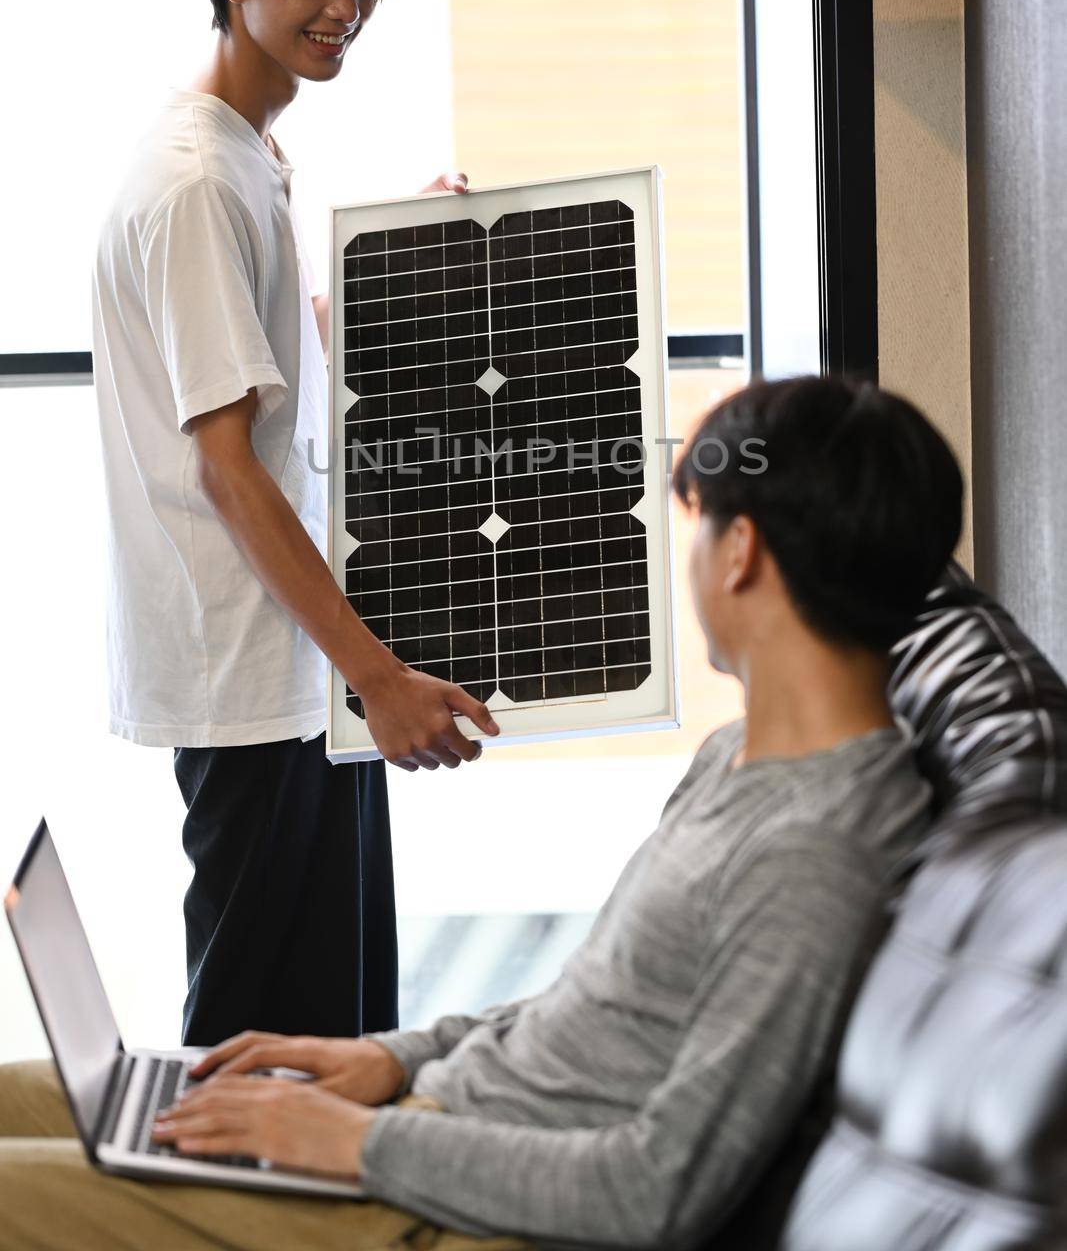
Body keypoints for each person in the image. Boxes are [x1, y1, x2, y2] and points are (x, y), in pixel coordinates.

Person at [0, 373, 963, 1249]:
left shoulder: (814, 850)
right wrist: (391, 1058)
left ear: (741, 553)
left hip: (441, 1201)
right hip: (424, 1127)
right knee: (41, 1096)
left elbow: (655, 1188)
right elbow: (595, 1006)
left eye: (699, 523)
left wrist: (355, 1144)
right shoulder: (739, 758)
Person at [89, 0, 498, 1048]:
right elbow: (225, 466)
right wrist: (378, 677)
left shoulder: (248, 151)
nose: (343, 7)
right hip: (256, 678)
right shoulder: (198, 179)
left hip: (291, 673)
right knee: (260, 1047)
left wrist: (389, 258)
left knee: (330, 1031)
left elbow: (263, 361)